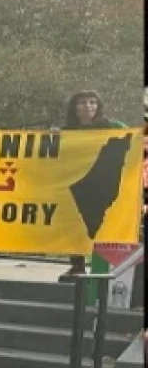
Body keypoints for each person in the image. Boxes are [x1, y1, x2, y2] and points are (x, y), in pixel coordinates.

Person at [55, 90, 127, 281]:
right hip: (76, 186)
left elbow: (133, 138)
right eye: (83, 103)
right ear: (74, 107)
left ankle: (103, 267)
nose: (88, 106)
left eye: (92, 102)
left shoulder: (112, 126)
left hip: (103, 184)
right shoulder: (67, 131)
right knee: (75, 226)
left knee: (101, 225)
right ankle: (77, 266)